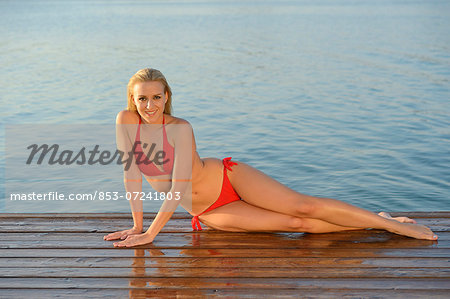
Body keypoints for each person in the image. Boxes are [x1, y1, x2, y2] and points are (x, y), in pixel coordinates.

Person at [104, 68, 438, 247]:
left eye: (157, 97)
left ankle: (389, 224)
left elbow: (177, 187)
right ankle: (375, 219)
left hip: (228, 177)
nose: (150, 105)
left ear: (167, 97)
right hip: (209, 209)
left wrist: (152, 233)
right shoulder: (125, 121)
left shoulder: (180, 127)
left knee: (302, 206)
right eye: (142, 98)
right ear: (132, 100)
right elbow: (131, 176)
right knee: (297, 225)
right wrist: (136, 225)